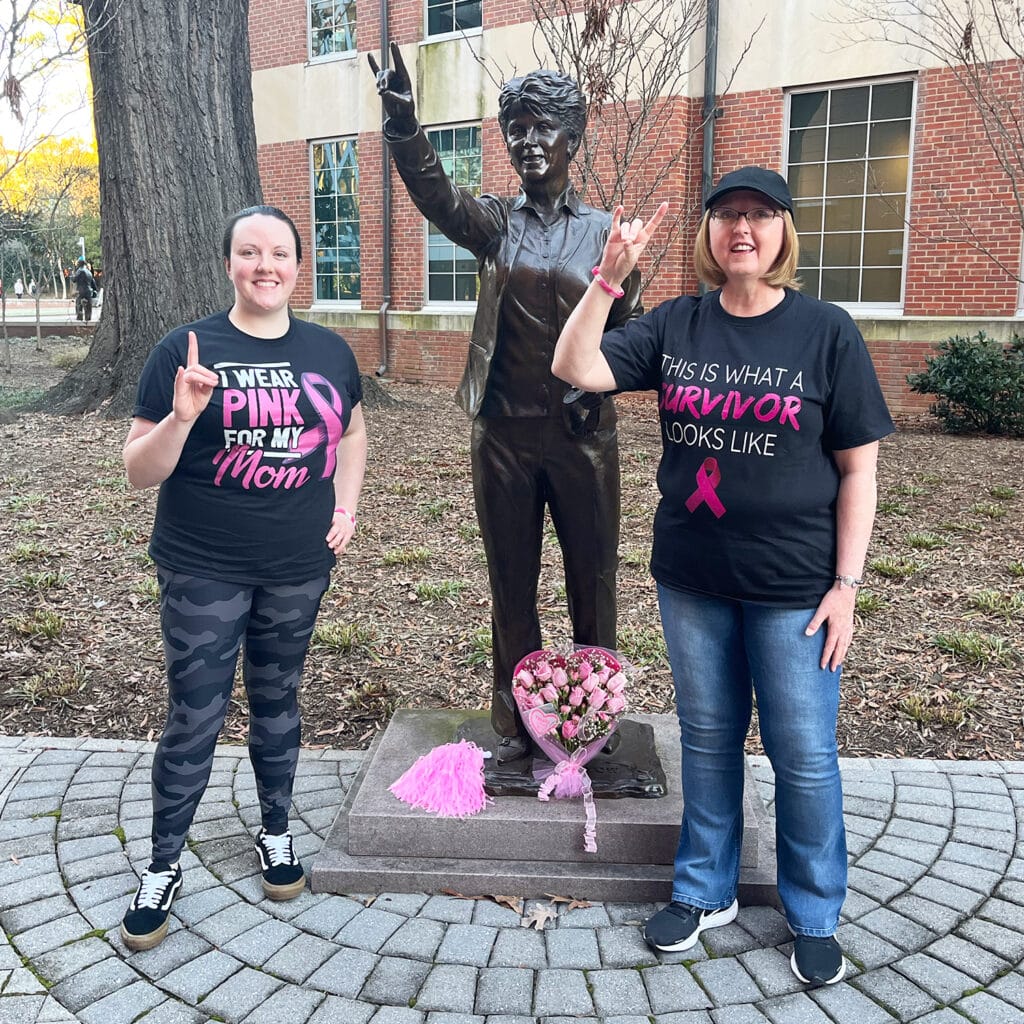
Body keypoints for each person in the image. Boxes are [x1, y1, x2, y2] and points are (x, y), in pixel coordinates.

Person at [552, 167, 894, 987]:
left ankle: (814, 910)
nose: (743, 229)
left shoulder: (825, 332)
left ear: (783, 234)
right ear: (709, 235)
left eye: (761, 216)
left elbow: (858, 471)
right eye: (727, 215)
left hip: (796, 590)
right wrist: (610, 277)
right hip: (694, 580)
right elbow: (577, 366)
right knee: (707, 742)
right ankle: (705, 891)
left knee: (803, 755)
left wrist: (846, 586)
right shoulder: (678, 324)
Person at [369, 44, 643, 763]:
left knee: (593, 579)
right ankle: (517, 718)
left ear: (572, 138)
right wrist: (404, 123)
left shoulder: (605, 233)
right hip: (505, 439)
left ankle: (594, 716)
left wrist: (599, 377)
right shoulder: (495, 223)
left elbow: (626, 338)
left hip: (584, 439)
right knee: (512, 581)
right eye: (514, 128)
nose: (525, 141)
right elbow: (436, 195)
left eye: (539, 126)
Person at [119, 205, 367, 951]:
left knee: (276, 700)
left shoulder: (329, 351)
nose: (266, 266)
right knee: (195, 713)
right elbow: (138, 471)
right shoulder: (184, 349)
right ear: (228, 263)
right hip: (203, 565)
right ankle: (163, 867)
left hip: (295, 565)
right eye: (249, 253)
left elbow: (351, 430)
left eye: (280, 253)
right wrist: (183, 417)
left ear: (299, 266)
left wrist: (347, 506)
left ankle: (276, 832)